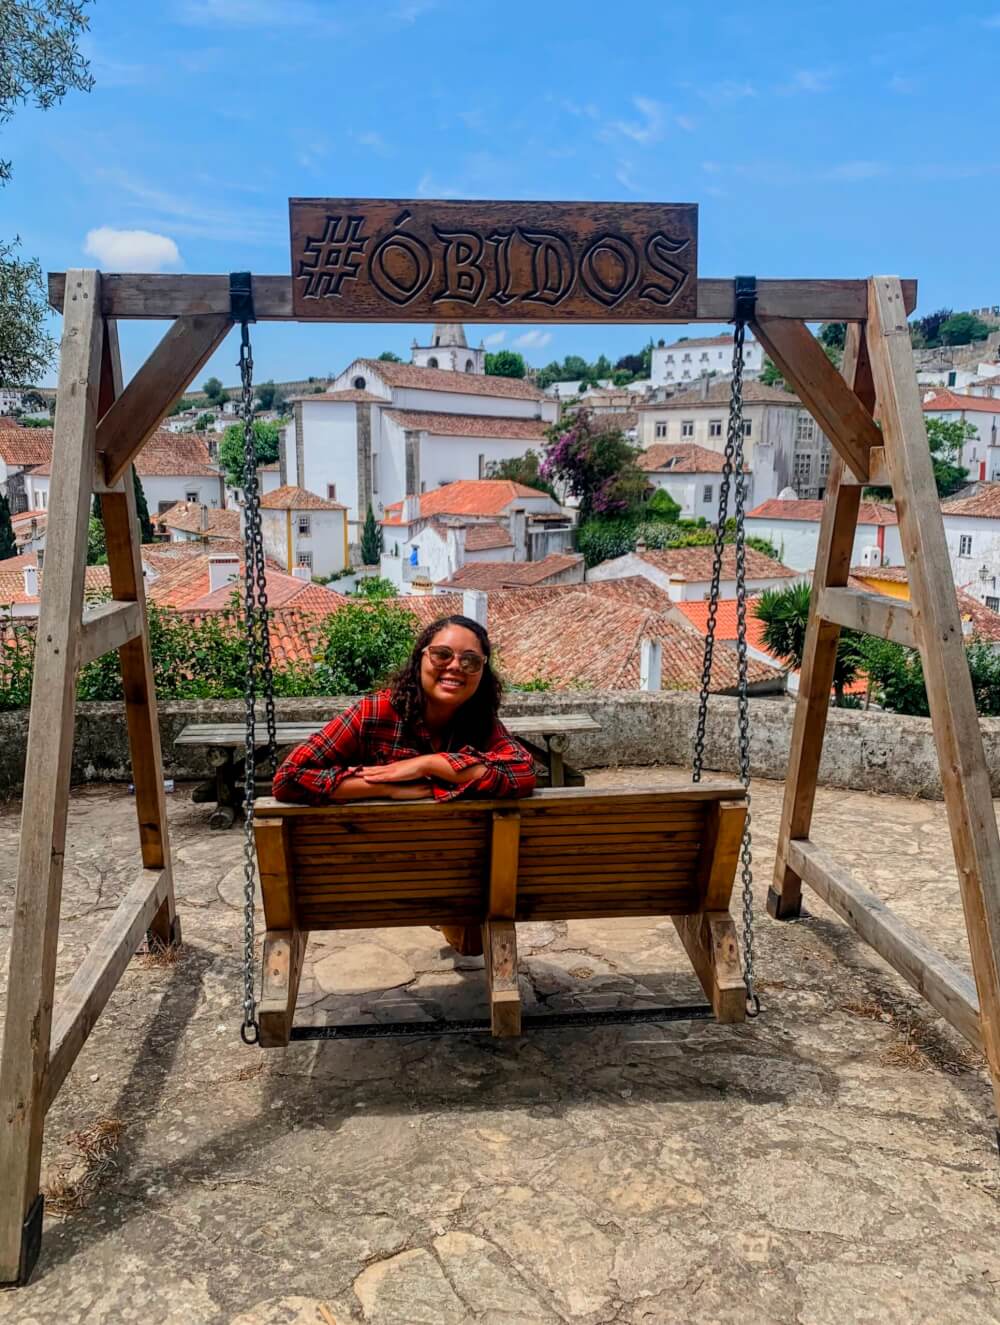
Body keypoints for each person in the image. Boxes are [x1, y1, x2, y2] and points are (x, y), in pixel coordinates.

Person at [272, 614, 536, 956]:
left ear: (482, 673)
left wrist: (428, 765)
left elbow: (523, 771)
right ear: (420, 659)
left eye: (470, 661)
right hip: (385, 873)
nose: (455, 667)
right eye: (443, 655)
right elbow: (289, 777)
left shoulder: (480, 722)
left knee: (471, 940)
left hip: (434, 875)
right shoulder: (376, 712)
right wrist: (386, 788)